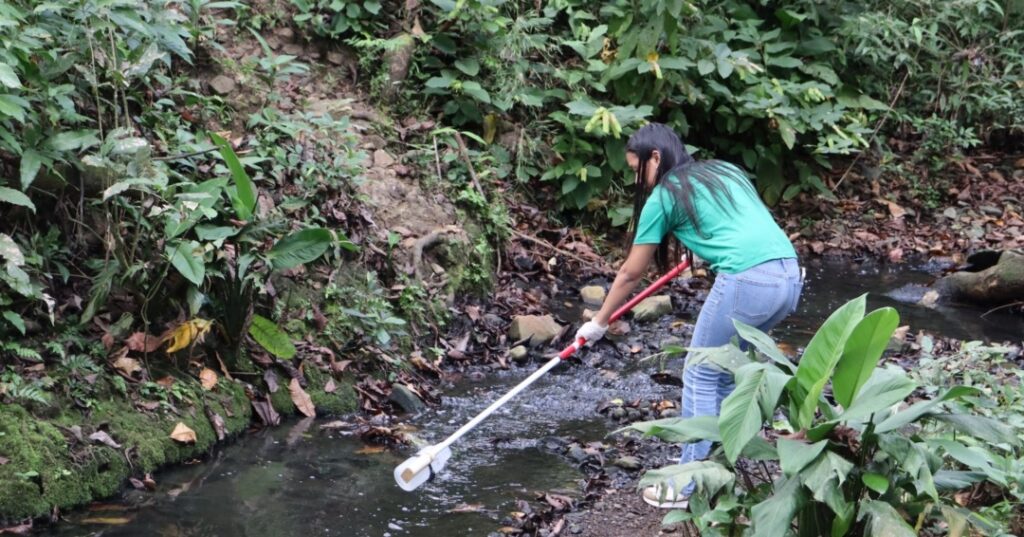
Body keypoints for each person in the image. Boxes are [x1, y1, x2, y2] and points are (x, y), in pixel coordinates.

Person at [574, 123, 803, 509]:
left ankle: (688, 487)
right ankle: (720, 469)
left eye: (637, 169)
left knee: (699, 370)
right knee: (725, 372)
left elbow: (631, 272)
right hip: (788, 277)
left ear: (656, 158)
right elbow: (741, 224)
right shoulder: (722, 170)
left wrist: (599, 322)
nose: (638, 179)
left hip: (747, 279)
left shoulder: (664, 196)